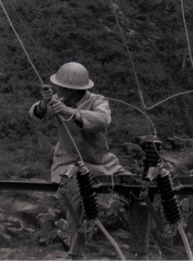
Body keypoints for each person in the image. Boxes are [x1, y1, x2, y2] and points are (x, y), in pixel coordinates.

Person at [30, 62, 131, 260]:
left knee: (138, 186)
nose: (56, 89)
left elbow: (103, 120)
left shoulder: (97, 100)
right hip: (69, 162)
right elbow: (36, 115)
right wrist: (43, 104)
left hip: (102, 161)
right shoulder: (58, 100)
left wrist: (71, 113)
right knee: (76, 193)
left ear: (70, 90)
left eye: (59, 86)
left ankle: (145, 240)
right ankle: (75, 253)